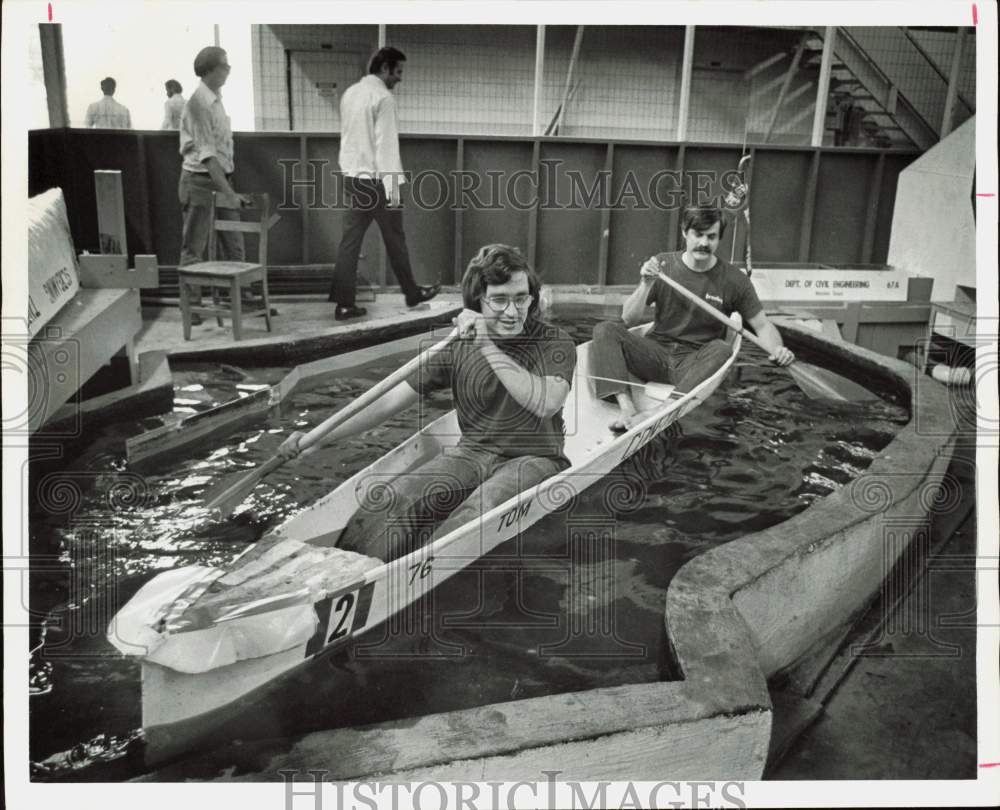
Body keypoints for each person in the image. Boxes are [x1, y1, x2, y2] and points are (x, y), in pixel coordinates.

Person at [281, 244, 576, 562]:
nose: (513, 311)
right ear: (477, 302)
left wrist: (487, 345)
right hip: (471, 453)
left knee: (480, 509)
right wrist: (319, 438)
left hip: (534, 459)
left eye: (521, 298)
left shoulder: (553, 341)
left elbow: (546, 403)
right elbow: (387, 402)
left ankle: (415, 571)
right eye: (500, 300)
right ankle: (349, 571)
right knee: (393, 498)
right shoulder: (457, 346)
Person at [591, 205, 794, 431]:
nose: (704, 243)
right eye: (698, 234)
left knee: (722, 348)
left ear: (718, 239)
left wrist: (778, 350)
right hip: (654, 355)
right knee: (605, 329)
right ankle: (627, 407)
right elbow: (627, 319)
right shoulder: (663, 265)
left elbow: (763, 325)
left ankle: (663, 409)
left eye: (711, 237)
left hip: (694, 364)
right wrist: (645, 284)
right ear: (685, 233)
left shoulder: (735, 281)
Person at [328, 46, 439, 321]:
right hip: (377, 182)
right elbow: (386, 148)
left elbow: (348, 138)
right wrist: (393, 191)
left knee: (349, 243)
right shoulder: (384, 98)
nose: (399, 78)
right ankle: (412, 294)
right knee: (395, 239)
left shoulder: (350, 94)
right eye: (398, 71)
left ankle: (343, 304)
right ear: (385, 68)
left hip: (352, 178)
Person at [177, 47, 257, 325]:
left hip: (222, 180)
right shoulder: (198, 104)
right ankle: (193, 307)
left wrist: (228, 190)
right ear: (210, 69)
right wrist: (231, 195)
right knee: (194, 247)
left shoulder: (216, 100)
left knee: (234, 243)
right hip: (199, 182)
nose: (228, 69)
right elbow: (208, 157)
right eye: (224, 65)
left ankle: (242, 298)